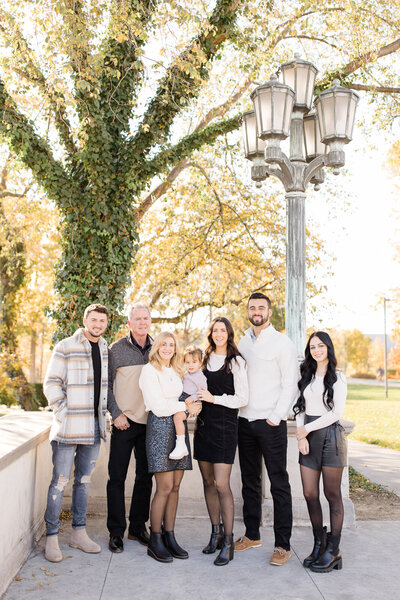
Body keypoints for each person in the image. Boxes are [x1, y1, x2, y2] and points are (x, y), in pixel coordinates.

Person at [235, 293, 298, 566]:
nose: (256, 311)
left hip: (271, 423)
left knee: (279, 484)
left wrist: (276, 417)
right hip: (244, 421)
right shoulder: (242, 341)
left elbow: (291, 384)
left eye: (261, 307)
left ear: (269, 312)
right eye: (252, 307)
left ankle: (283, 545)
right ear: (248, 311)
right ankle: (252, 534)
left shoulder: (282, 343)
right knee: (249, 482)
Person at [43, 304, 109, 563]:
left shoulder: (104, 348)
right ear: (85, 320)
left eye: (102, 321)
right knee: (59, 483)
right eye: (94, 320)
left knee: (83, 482)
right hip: (67, 430)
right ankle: (51, 537)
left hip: (93, 428)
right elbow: (51, 383)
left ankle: (78, 534)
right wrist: (64, 413)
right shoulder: (65, 346)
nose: (98, 325)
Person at [139, 332, 201, 563]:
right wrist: (184, 406)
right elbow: (157, 406)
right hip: (159, 428)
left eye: (171, 345)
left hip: (178, 430)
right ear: (157, 347)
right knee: (164, 486)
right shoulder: (149, 370)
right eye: (163, 344)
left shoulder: (177, 371)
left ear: (176, 349)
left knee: (175, 486)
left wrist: (194, 406)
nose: (167, 348)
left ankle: (169, 536)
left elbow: (187, 396)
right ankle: (155, 540)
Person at [194, 317, 248, 567]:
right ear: (210, 334)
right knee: (207, 482)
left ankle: (228, 541)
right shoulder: (203, 359)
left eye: (222, 330)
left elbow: (242, 399)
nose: (218, 334)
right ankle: (215, 532)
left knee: (221, 484)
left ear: (229, 333)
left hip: (225, 429)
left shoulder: (236, 362)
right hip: (203, 427)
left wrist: (214, 399)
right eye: (214, 330)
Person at [294, 331, 347, 573]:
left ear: (328, 348)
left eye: (321, 346)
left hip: (330, 437)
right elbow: (299, 407)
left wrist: (306, 429)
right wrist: (301, 434)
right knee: (309, 492)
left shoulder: (338, 378)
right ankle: (319, 543)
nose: (317, 350)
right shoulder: (306, 375)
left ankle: (334, 550)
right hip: (309, 437)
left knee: (332, 494)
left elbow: (336, 414)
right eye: (313, 346)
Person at [106, 303, 154, 553]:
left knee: (145, 478)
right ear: (129, 323)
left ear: (150, 321)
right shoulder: (116, 349)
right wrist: (116, 414)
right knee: (117, 477)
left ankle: (137, 527)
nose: (142, 322)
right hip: (124, 423)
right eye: (137, 319)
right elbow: (106, 385)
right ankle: (116, 532)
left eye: (145, 318)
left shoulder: (158, 349)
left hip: (150, 423)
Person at [169, 345, 207, 460]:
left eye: (194, 362)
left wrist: (193, 397)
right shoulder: (185, 374)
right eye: (188, 362)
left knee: (178, 417)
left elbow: (203, 392)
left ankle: (181, 444)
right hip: (182, 398)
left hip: (192, 402)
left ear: (200, 363)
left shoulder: (200, 376)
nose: (190, 365)